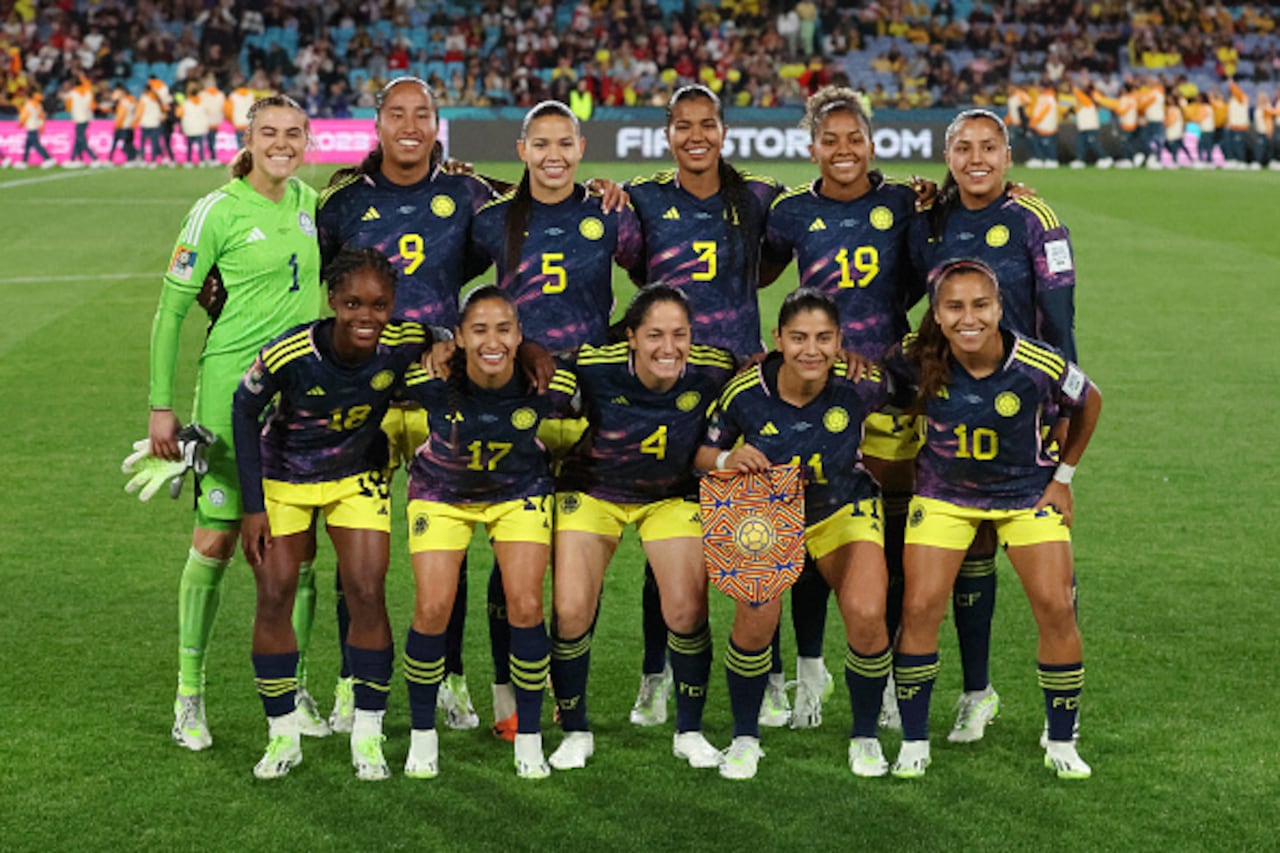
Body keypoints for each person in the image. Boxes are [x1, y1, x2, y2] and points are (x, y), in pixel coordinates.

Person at [318, 76, 498, 736]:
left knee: (445, 551)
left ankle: (449, 677)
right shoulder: (341, 204)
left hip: (438, 397)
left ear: (438, 123)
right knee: (357, 555)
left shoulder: (466, 192)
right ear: (378, 124)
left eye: (423, 113)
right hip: (360, 398)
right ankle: (349, 682)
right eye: (398, 113)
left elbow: (524, 219)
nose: (411, 124)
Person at [146, 94, 326, 752]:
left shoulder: (310, 205)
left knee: (298, 550)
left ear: (308, 139)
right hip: (229, 402)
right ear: (248, 139)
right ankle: (188, 696)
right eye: (269, 132)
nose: (282, 142)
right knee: (217, 543)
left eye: (293, 133)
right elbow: (170, 312)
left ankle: (299, 686)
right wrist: (162, 407)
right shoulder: (216, 210)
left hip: (301, 407)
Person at [883, 259, 1101, 780]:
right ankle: (914, 742)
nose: (968, 318)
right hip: (943, 497)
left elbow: (1089, 401)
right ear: (936, 313)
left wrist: (1063, 479)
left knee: (1055, 605)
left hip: (1027, 495)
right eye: (954, 307)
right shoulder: (911, 360)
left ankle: (1062, 737)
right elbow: (867, 386)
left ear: (1000, 308)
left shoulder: (1037, 363)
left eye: (980, 305)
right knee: (919, 608)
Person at [623, 83, 793, 728]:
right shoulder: (641, 198)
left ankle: (770, 675)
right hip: (668, 385)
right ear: (668, 134)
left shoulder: (757, 196)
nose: (696, 136)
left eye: (708, 125)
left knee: (757, 538)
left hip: (742, 382)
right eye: (683, 126)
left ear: (725, 131)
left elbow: (778, 257)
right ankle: (653, 677)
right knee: (667, 537)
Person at [232, 248, 436, 780]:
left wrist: (446, 343)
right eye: (352, 303)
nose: (366, 317)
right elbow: (243, 407)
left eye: (379, 305)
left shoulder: (401, 342)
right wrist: (252, 507)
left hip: (355, 477)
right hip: (284, 479)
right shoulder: (290, 353)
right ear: (332, 301)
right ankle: (283, 736)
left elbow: (440, 333)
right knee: (274, 595)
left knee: (367, 591)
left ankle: (367, 735)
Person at [911, 108, 1078, 745]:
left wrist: (1061, 418)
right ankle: (976, 693)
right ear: (947, 155)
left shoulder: (1036, 219)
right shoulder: (932, 218)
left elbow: (1061, 324)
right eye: (963, 148)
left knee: (1048, 576)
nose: (976, 158)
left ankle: (1056, 715)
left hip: (1026, 412)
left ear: (1008, 156)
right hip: (951, 407)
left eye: (988, 147)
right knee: (968, 553)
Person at [761, 86, 924, 731]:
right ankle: (808, 672)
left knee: (882, 544)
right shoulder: (792, 212)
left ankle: (881, 678)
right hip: (813, 392)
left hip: (890, 393)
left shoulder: (905, 203)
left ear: (872, 142)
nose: (843, 149)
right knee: (805, 531)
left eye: (853, 137)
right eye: (830, 139)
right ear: (812, 148)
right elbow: (752, 274)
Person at [696, 289, 895, 780]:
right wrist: (726, 459)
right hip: (766, 506)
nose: (812, 350)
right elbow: (702, 452)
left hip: (843, 506)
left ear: (840, 341)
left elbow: (925, 397)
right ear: (778, 340)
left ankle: (865, 737)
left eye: (824, 338)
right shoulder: (744, 391)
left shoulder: (864, 384)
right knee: (756, 615)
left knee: (869, 614)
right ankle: (745, 737)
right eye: (800, 337)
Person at [547, 285, 734, 771]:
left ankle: (689, 731)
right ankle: (574, 732)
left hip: (669, 496)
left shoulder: (713, 369)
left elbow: (763, 374)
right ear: (630, 336)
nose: (668, 347)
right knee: (570, 611)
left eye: (680, 335)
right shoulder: (593, 364)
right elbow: (542, 368)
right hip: (592, 493)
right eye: (654, 335)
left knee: (687, 610)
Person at [397, 287, 577, 780]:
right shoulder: (428, 380)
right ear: (458, 338)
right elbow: (379, 398)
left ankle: (530, 739)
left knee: (526, 605)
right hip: (440, 492)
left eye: (503, 329)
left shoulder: (547, 384)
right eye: (479, 330)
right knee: (432, 606)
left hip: (518, 492)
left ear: (520, 336)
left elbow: (587, 412)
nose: (491, 341)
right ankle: (422, 738)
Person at [64, 75, 100, 167]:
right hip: (87, 118)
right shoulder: (88, 92)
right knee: (78, 139)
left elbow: (68, 108)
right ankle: (76, 158)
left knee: (81, 140)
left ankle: (94, 157)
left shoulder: (71, 94)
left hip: (78, 118)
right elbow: (93, 106)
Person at [15, 91, 55, 169]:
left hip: (31, 126)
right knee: (28, 145)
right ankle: (24, 161)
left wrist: (20, 124)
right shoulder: (38, 105)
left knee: (36, 144)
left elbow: (24, 116)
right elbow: (42, 116)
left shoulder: (28, 105)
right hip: (35, 126)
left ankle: (48, 159)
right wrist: (41, 126)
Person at [177, 81, 209, 166]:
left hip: (189, 127)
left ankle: (189, 161)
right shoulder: (203, 102)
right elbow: (206, 113)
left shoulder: (185, 103)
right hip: (200, 127)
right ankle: (202, 160)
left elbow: (178, 114)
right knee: (200, 145)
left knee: (190, 145)